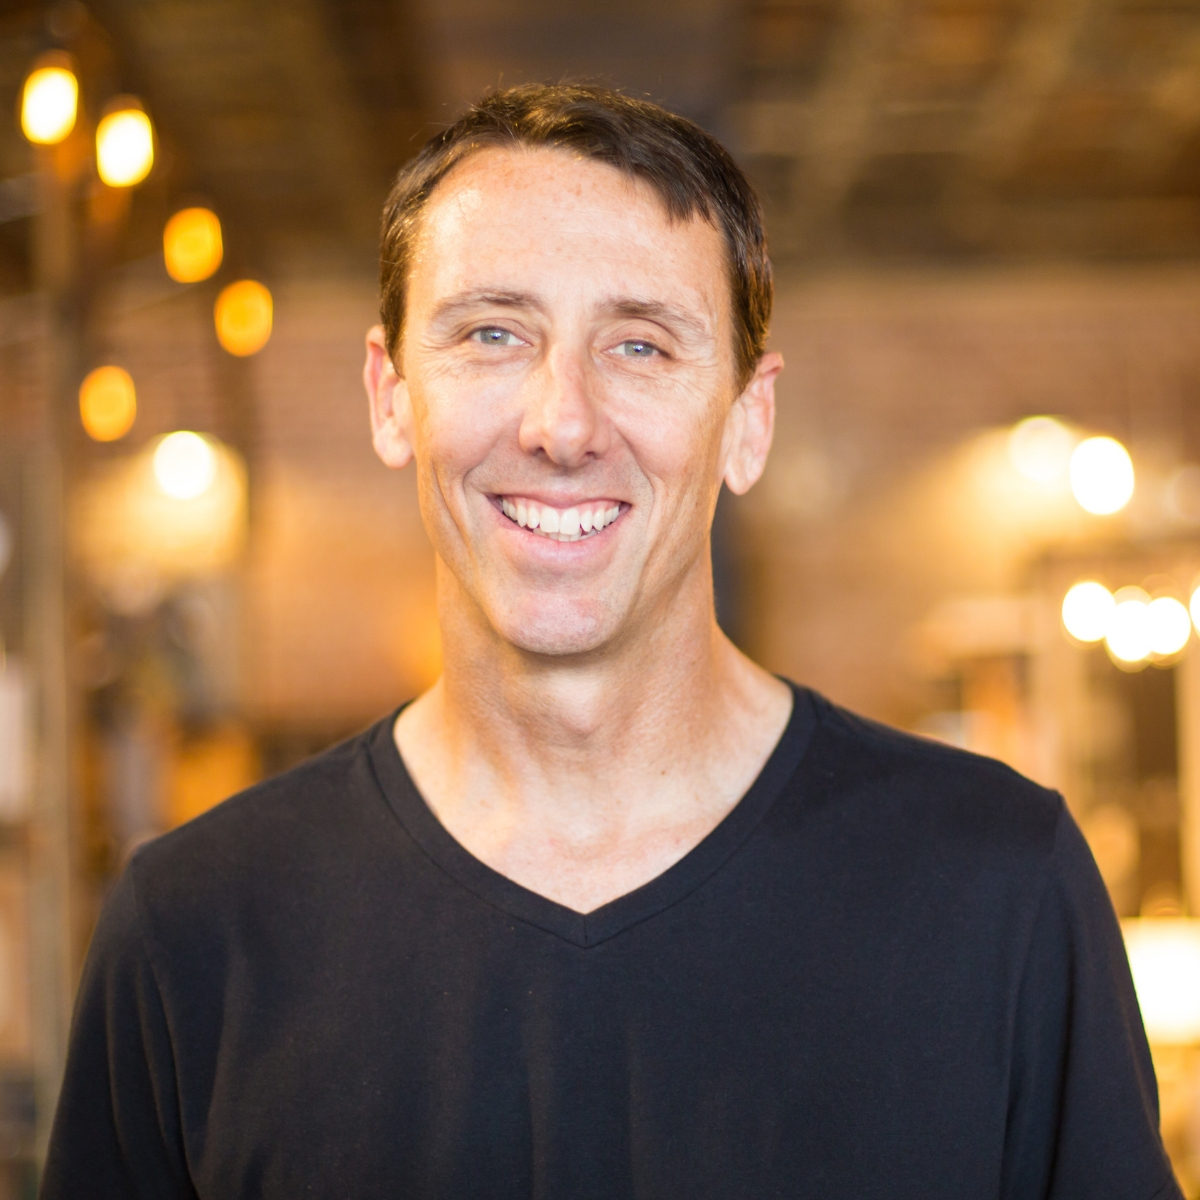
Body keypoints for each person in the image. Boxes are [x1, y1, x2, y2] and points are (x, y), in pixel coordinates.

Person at [41, 83, 1182, 1200]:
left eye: (640, 347)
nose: (562, 425)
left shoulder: (999, 887)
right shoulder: (195, 930)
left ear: (747, 421)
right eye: (493, 333)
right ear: (392, 397)